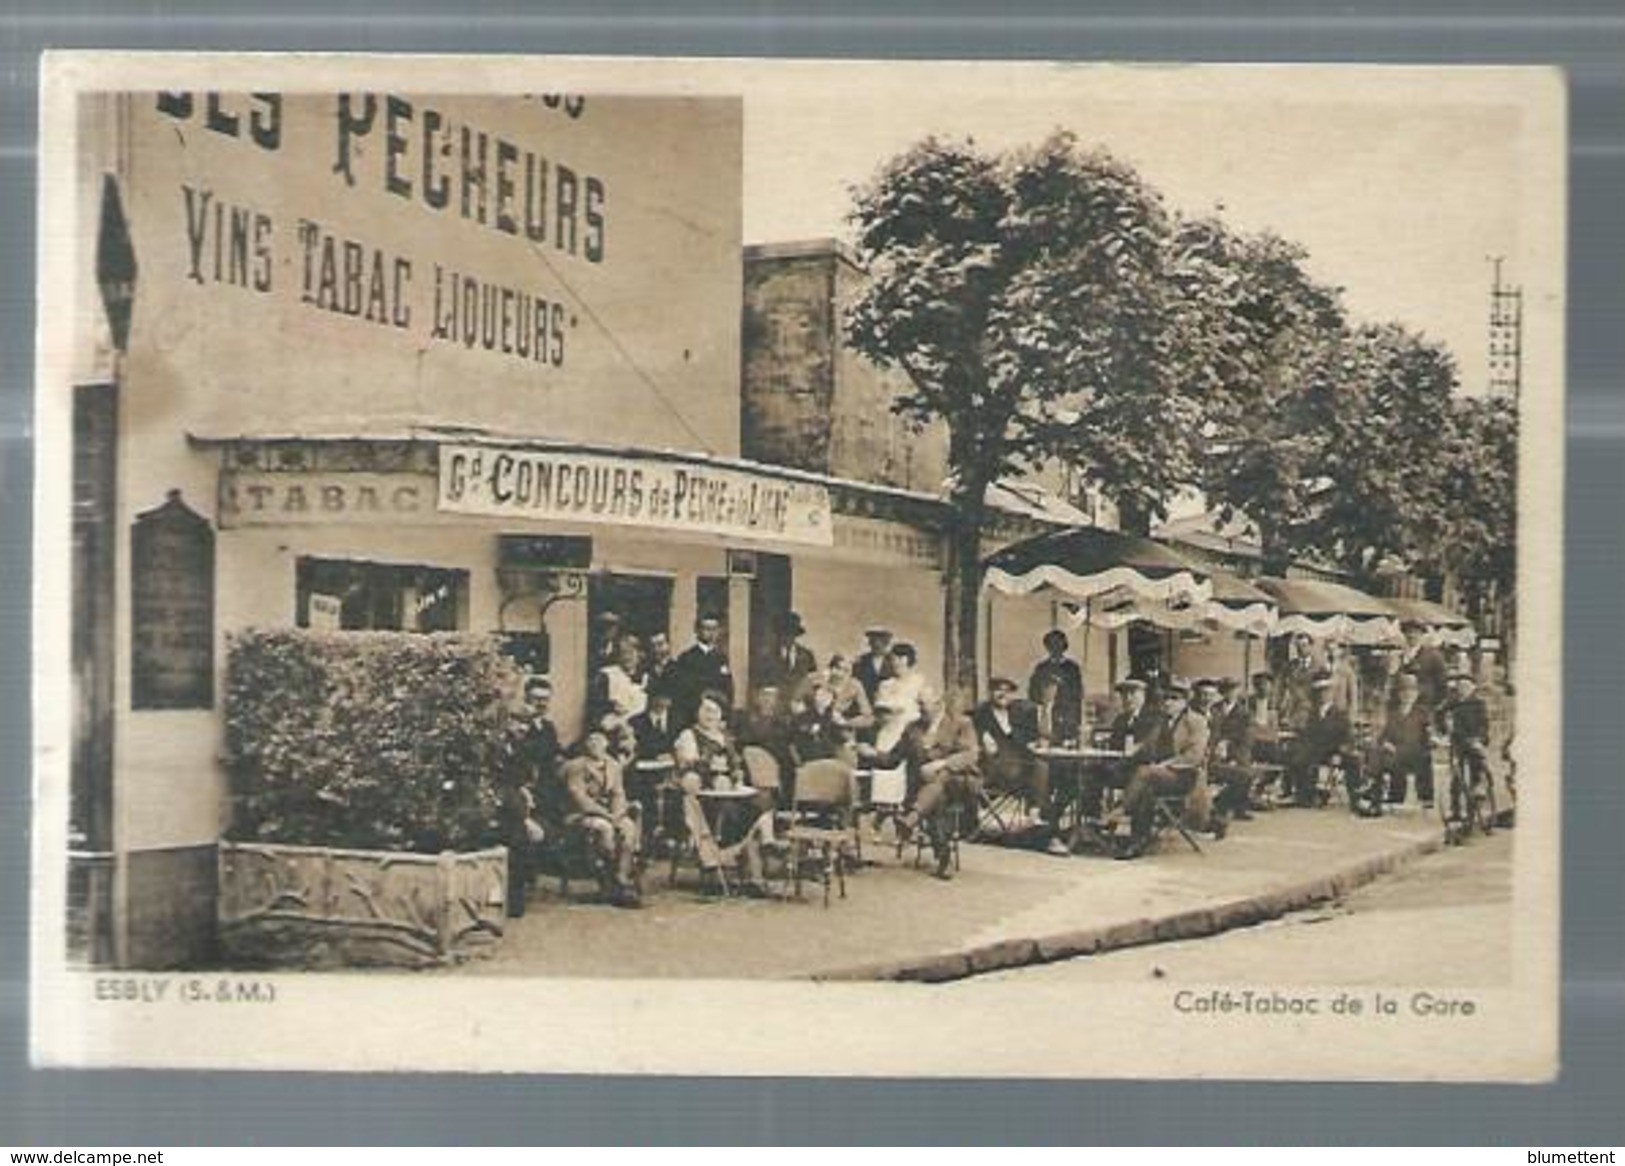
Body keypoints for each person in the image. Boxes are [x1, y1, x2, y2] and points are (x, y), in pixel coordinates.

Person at [865, 686, 981, 879]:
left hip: (958, 782)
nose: (921, 709)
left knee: (940, 779)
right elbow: (893, 759)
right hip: (926, 790)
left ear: (938, 703)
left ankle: (912, 819)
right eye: (918, 704)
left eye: (924, 704)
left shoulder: (961, 723)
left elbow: (971, 755)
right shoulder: (913, 728)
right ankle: (944, 858)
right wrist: (872, 754)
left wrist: (940, 764)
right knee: (936, 797)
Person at [672, 690, 773, 896]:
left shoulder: (725, 738)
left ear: (721, 715)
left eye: (714, 711)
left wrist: (736, 774)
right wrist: (711, 767)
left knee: (758, 803)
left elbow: (735, 764)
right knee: (730, 811)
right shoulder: (688, 736)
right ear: (698, 712)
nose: (710, 715)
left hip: (726, 793)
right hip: (701, 796)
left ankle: (756, 875)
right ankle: (718, 866)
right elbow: (689, 768)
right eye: (705, 710)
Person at [1116, 679, 1210, 859]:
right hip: (1158, 775)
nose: (1167, 702)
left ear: (1185, 701)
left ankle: (1119, 811)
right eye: (1165, 698)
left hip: (1184, 776)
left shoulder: (1196, 721)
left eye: (1174, 698)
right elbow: (1146, 746)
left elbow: (1194, 756)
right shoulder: (1161, 721)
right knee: (1144, 785)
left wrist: (1162, 766)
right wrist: (1134, 751)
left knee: (1144, 773)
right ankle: (1138, 840)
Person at [973, 676, 1065, 855]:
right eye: (998, 689)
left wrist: (1032, 743)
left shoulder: (1016, 712)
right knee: (1040, 772)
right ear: (990, 692)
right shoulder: (982, 713)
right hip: (995, 766)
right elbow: (978, 738)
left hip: (1019, 764)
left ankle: (1038, 817)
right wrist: (982, 738)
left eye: (1007, 691)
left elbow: (1026, 737)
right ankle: (1047, 830)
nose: (1002, 694)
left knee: (1044, 770)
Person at [560, 726, 643, 908]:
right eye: (591, 741)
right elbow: (579, 798)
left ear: (607, 744)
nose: (595, 744)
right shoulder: (576, 766)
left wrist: (617, 814)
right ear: (585, 745)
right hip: (582, 814)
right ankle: (606, 879)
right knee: (603, 828)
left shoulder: (613, 765)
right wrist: (606, 815)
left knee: (628, 827)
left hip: (611, 813)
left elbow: (618, 793)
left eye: (600, 741)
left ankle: (620, 877)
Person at [1081, 678, 1163, 819]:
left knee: (1144, 786)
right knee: (1088, 772)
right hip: (1122, 769)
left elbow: (1151, 748)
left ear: (1143, 695)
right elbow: (1114, 747)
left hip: (1145, 770)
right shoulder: (1121, 719)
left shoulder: (1154, 718)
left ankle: (1137, 834)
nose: (1128, 699)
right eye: (1124, 695)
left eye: (1132, 694)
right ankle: (1093, 820)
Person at [1436, 670, 1491, 823]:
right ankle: (1456, 811)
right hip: (1457, 742)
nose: (1463, 689)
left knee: (1475, 770)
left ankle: (1474, 805)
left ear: (1473, 688)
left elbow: (1484, 724)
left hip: (1473, 740)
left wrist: (1479, 739)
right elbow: (1439, 713)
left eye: (1466, 686)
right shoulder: (1452, 702)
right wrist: (1443, 731)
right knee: (1456, 777)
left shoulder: (1479, 703)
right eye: (1460, 686)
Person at [1289, 673, 1352, 807]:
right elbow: (1308, 734)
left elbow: (1346, 736)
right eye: (1321, 692)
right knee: (1298, 759)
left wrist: (1339, 752)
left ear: (1332, 693)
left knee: (1353, 761)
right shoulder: (1312, 713)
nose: (1324, 695)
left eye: (1327, 691)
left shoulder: (1340, 713)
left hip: (1333, 751)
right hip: (1314, 750)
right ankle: (1304, 795)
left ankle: (1353, 798)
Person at [1373, 672, 1434, 808]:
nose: (1407, 695)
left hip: (1415, 754)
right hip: (1393, 753)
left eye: (1411, 691)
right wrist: (1385, 743)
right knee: (1377, 754)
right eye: (1404, 691)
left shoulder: (1422, 714)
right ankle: (1375, 793)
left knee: (1399, 757)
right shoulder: (1393, 714)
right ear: (1399, 694)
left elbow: (1425, 738)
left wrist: (1398, 749)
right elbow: (1383, 735)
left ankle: (1402, 796)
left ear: (1417, 694)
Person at [667, 614, 734, 729]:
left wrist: (724, 716)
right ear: (697, 631)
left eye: (714, 629)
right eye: (707, 629)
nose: (711, 633)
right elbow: (682, 692)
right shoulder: (687, 658)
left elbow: (728, 688)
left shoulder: (721, 658)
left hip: (716, 717)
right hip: (693, 718)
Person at [1208, 677, 1257, 824]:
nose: (1230, 694)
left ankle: (1236, 806)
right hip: (1214, 750)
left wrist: (1229, 748)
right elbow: (1210, 732)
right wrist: (1217, 745)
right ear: (1222, 692)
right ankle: (1223, 805)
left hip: (1236, 749)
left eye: (1233, 690)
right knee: (1222, 770)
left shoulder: (1244, 712)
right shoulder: (1213, 709)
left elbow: (1247, 738)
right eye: (1226, 690)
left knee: (1245, 772)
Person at [1028, 630, 1085, 742]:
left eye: (1058, 644)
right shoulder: (1041, 668)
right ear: (1047, 647)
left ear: (1064, 646)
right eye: (1051, 644)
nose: (1055, 648)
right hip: (1047, 716)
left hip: (1067, 716)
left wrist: (1062, 685)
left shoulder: (1072, 668)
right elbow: (1032, 693)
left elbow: (1077, 693)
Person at [872, 641, 927, 755]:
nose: (896, 662)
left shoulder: (918, 681)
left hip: (910, 731)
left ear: (908, 660)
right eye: (893, 659)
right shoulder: (885, 685)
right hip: (889, 730)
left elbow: (927, 708)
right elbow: (879, 712)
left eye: (900, 658)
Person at [736, 683, 795, 782]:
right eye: (764, 694)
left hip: (776, 766)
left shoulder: (783, 722)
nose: (767, 699)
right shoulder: (745, 719)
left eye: (771, 695)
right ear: (758, 697)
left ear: (776, 699)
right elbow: (743, 741)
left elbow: (784, 746)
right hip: (751, 765)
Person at [591, 633, 648, 725]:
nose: (627, 657)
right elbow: (596, 709)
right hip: (613, 727)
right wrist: (611, 707)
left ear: (640, 655)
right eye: (623, 652)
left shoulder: (647, 678)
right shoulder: (606, 675)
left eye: (631, 652)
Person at [766, 611, 818, 708]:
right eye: (783, 633)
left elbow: (814, 684)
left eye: (791, 633)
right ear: (778, 634)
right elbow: (764, 688)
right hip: (777, 710)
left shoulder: (807, 656)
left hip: (801, 709)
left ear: (796, 635)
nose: (787, 637)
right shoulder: (768, 657)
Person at [629, 691, 679, 762]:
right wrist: (654, 756)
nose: (661, 700)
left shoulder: (678, 722)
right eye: (657, 695)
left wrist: (672, 755)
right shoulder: (635, 722)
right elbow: (634, 748)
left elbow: (681, 747)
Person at [852, 627, 894, 707]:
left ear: (886, 643)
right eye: (873, 641)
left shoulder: (893, 662)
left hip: (887, 705)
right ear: (870, 643)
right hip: (863, 705)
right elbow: (855, 684)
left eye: (881, 641)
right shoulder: (861, 662)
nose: (877, 644)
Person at [643, 629, 676, 704]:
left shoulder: (679, 669)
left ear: (668, 644)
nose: (656, 649)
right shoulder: (645, 670)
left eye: (660, 644)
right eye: (653, 646)